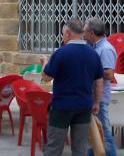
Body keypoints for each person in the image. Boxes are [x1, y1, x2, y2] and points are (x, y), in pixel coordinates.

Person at [39, 18, 103, 156]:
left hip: (62, 106)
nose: (62, 37)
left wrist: (44, 63)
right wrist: (97, 102)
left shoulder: (60, 53)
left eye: (63, 34)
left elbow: (46, 77)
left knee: (54, 147)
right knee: (80, 148)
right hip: (84, 106)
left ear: (68, 33)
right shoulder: (93, 54)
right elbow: (98, 81)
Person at [84, 17, 117, 156]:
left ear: (91, 33)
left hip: (100, 98)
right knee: (94, 134)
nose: (83, 34)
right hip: (92, 96)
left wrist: (89, 70)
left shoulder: (105, 49)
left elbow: (109, 74)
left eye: (85, 31)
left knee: (104, 135)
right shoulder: (94, 48)